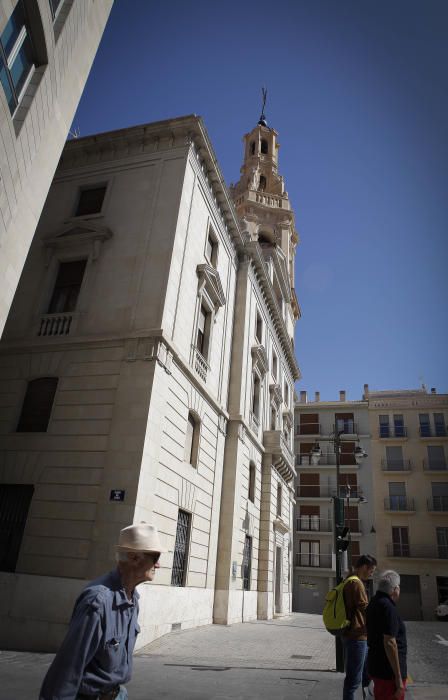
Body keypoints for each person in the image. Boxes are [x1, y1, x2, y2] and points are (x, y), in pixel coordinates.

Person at [40, 523, 166, 700]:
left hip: (118, 694)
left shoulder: (133, 598)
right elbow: (67, 669)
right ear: (134, 557)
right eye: (155, 556)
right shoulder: (98, 601)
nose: (158, 565)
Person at [366, 570, 407, 700]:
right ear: (395, 589)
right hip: (388, 674)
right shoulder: (388, 607)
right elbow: (389, 642)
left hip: (377, 667)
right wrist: (399, 679)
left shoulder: (373, 602)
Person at [342, 554, 377, 700]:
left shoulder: (349, 580)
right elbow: (365, 608)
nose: (372, 573)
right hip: (357, 636)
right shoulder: (356, 583)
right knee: (353, 680)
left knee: (363, 676)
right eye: (372, 570)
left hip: (354, 635)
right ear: (364, 567)